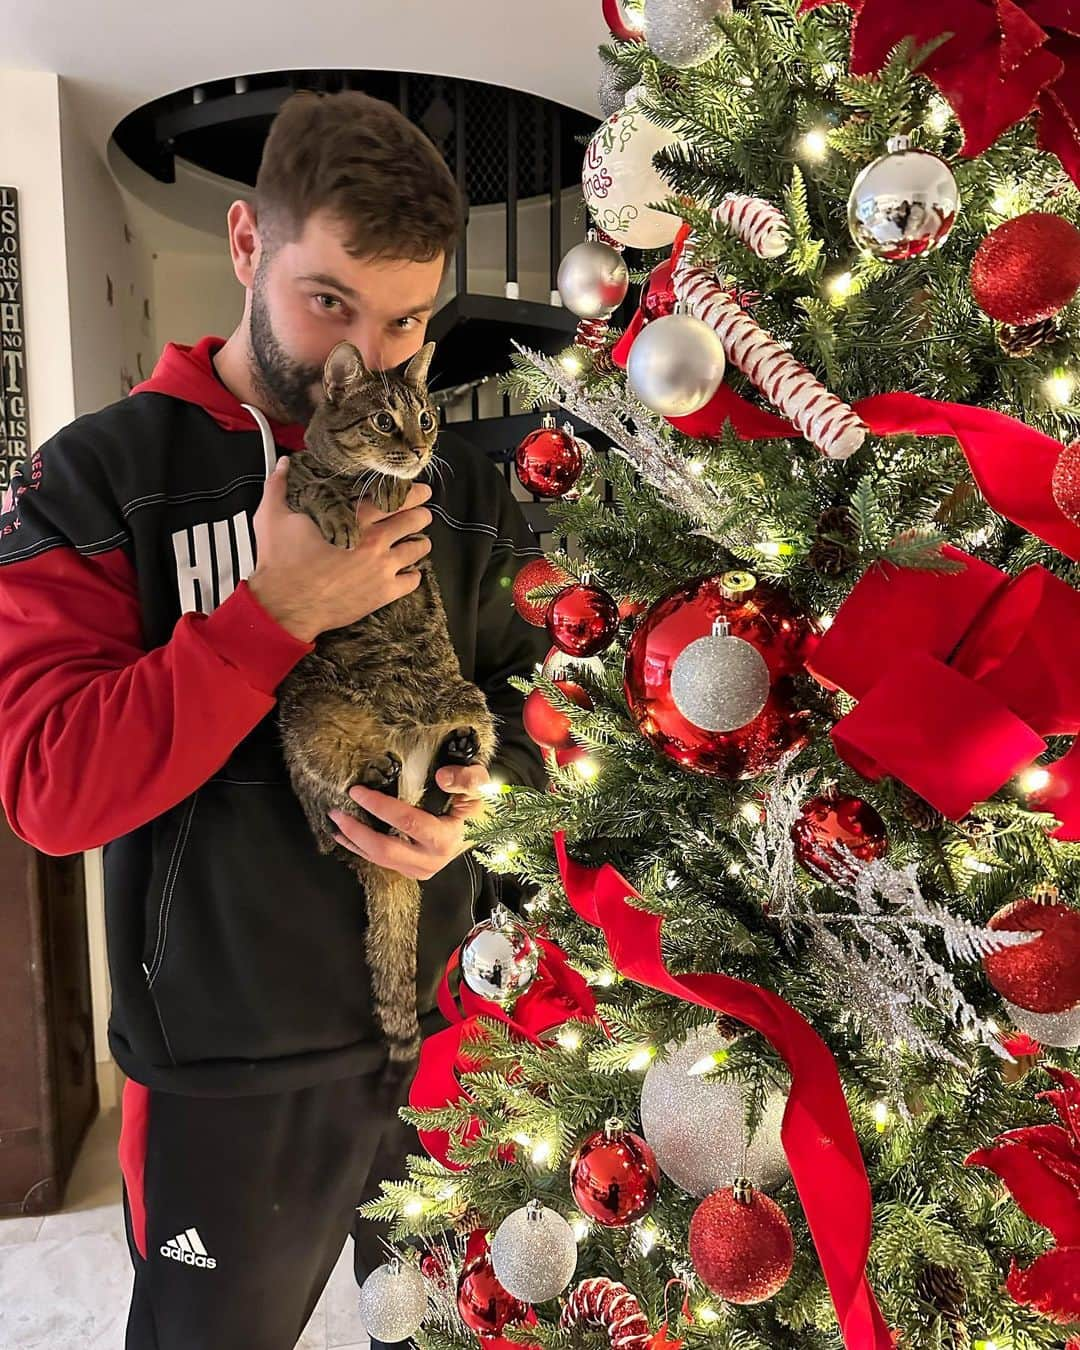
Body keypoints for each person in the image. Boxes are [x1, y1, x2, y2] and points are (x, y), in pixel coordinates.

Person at [0, 89, 550, 1349]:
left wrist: (486, 803)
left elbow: (539, 704)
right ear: (246, 245)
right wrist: (271, 612)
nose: (373, 350)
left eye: (411, 317)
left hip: (453, 1036)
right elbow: (48, 785)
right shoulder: (102, 477)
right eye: (331, 301)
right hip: (221, 1076)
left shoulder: (455, 484)